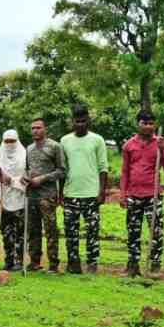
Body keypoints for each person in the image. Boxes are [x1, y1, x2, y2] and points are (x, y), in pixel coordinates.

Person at [120, 110, 164, 277]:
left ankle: (155, 265)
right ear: (138, 124)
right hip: (134, 194)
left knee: (156, 231)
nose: (149, 127)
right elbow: (125, 172)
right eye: (145, 123)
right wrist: (123, 194)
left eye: (152, 123)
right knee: (133, 231)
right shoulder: (129, 145)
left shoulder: (160, 143)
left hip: (153, 194)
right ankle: (133, 265)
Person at [60, 105, 109, 275]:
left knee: (92, 232)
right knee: (70, 232)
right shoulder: (64, 141)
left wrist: (102, 192)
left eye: (83, 121)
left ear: (88, 121)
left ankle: (92, 264)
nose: (80, 124)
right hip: (70, 194)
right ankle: (73, 263)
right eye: (77, 121)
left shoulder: (98, 140)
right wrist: (61, 193)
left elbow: (103, 168)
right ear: (72, 122)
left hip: (91, 195)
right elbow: (62, 169)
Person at [22, 118, 66, 273]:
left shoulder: (54, 147)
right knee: (33, 230)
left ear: (45, 129)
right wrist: (26, 177)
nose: (35, 130)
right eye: (33, 128)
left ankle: (53, 264)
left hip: (47, 195)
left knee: (51, 230)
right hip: (31, 195)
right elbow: (26, 168)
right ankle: (34, 262)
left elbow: (62, 171)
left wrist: (43, 178)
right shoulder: (28, 149)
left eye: (38, 127)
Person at [0, 130, 27, 271]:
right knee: (6, 232)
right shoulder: (0, 156)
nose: (9, 144)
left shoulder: (24, 156)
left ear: (17, 141)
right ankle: (9, 260)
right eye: (6, 141)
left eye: (12, 141)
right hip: (4, 201)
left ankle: (20, 261)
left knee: (20, 233)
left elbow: (27, 178)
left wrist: (11, 181)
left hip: (20, 199)